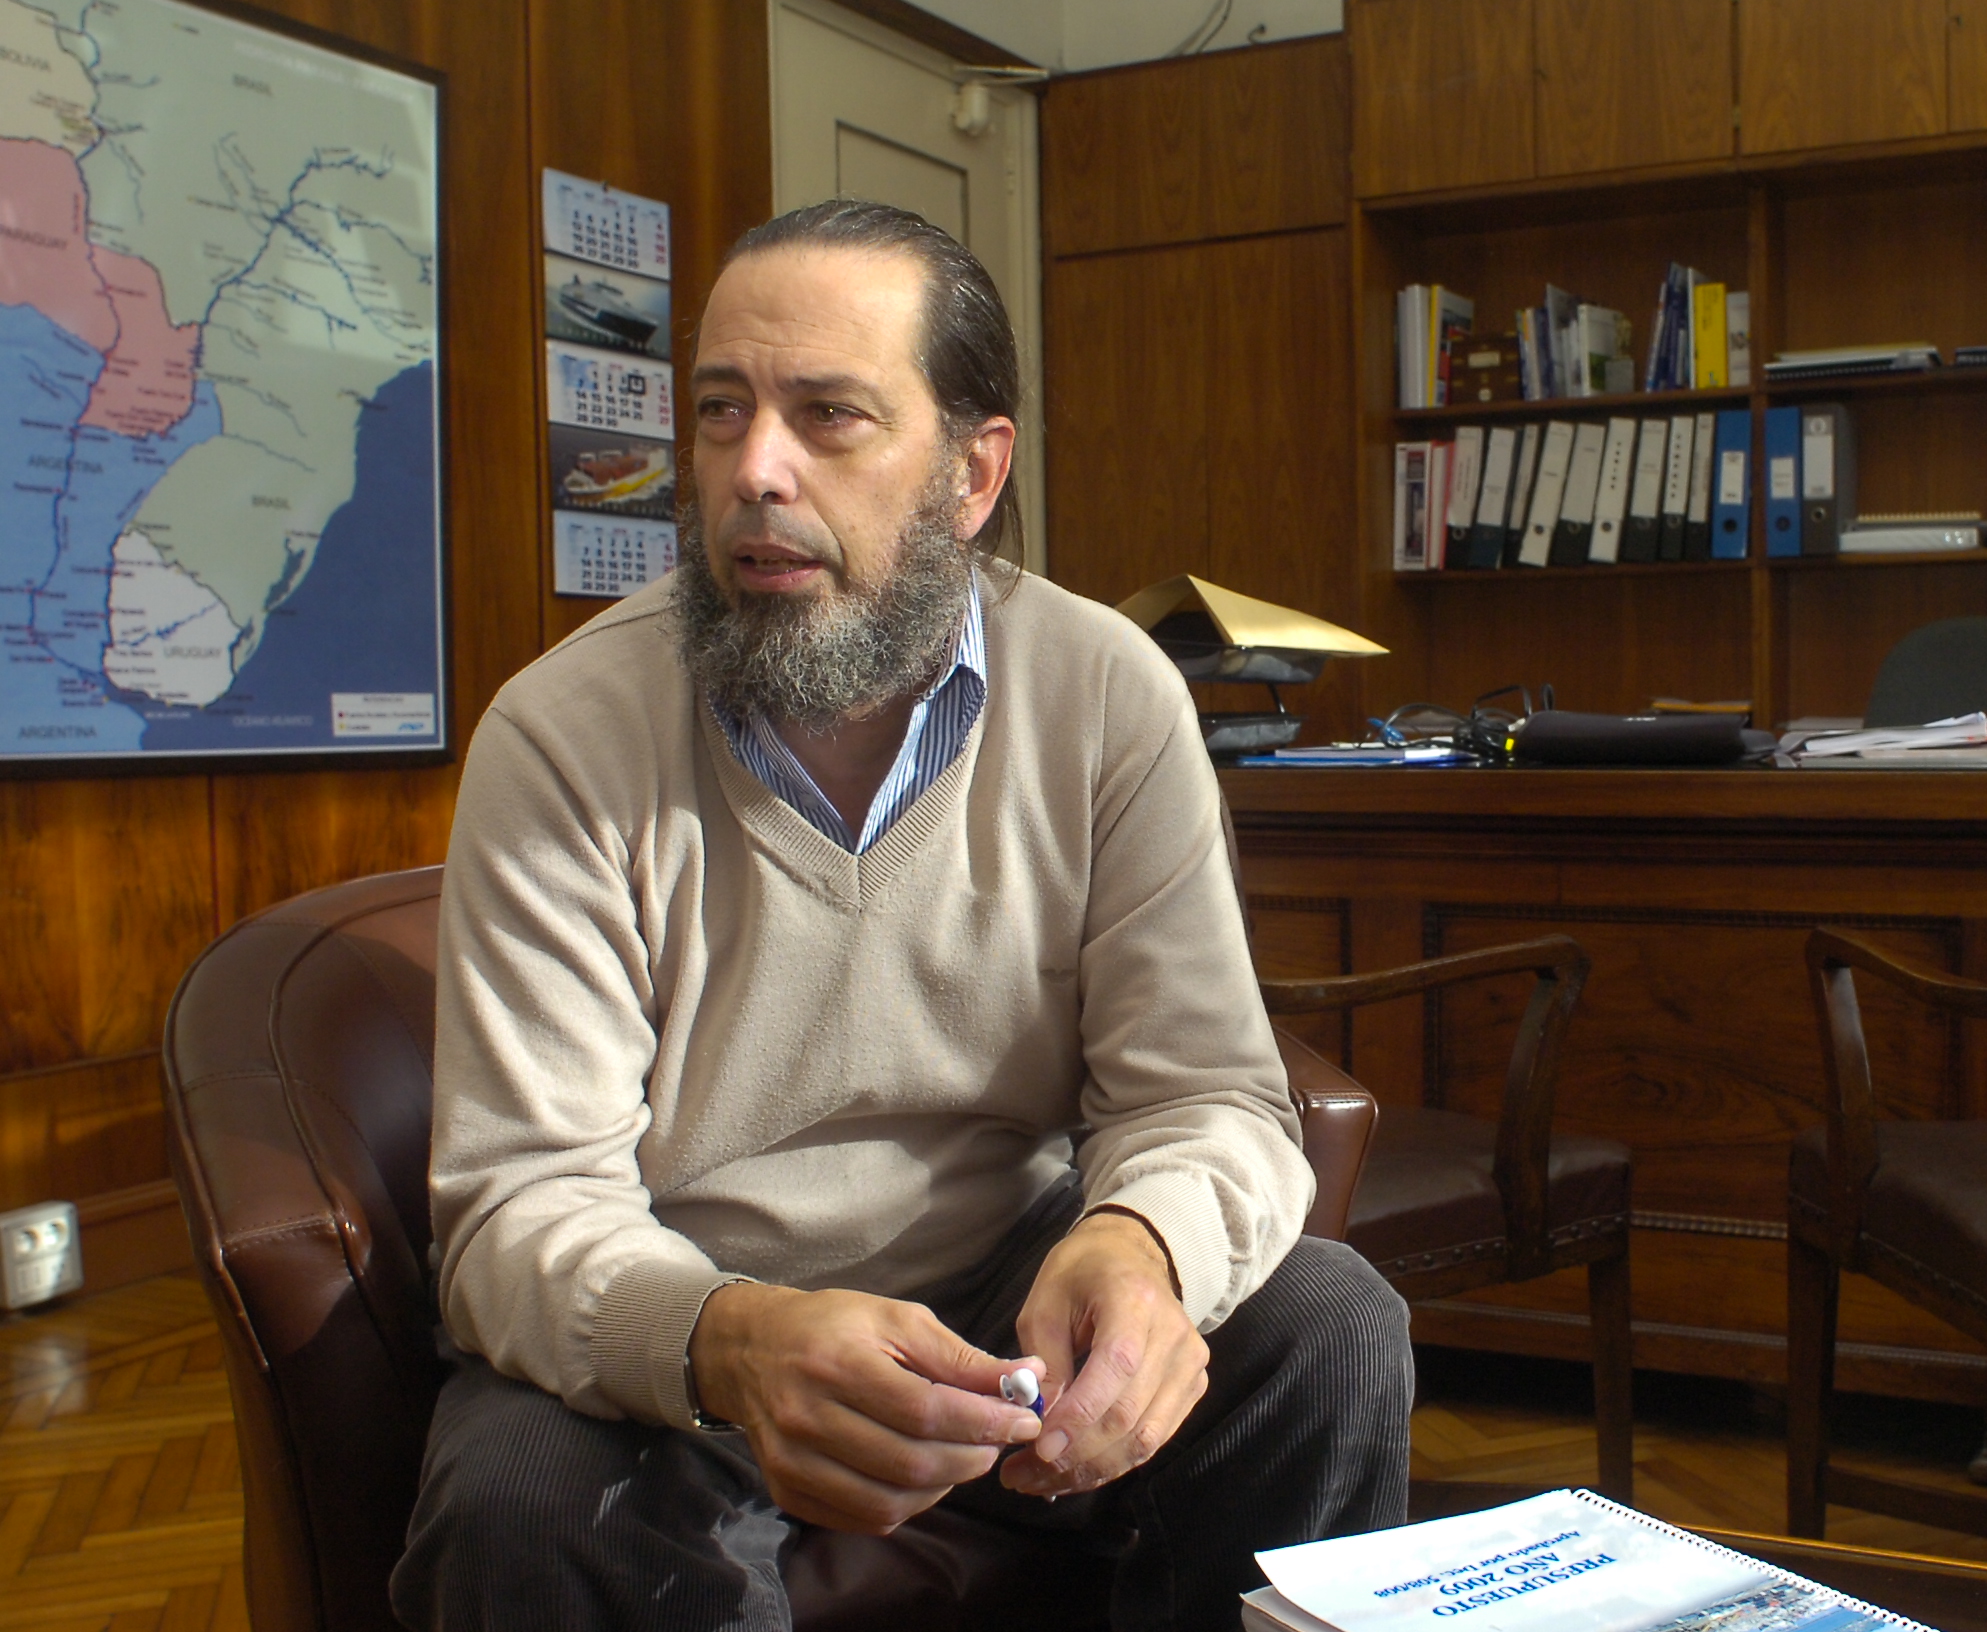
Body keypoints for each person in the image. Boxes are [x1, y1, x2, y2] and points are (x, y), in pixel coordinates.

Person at [389, 200, 1412, 1631]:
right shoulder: (561, 735)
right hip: (682, 1313)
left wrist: (1142, 1249)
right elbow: (517, 1209)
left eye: (829, 417)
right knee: (525, 1504)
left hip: (1002, 1291)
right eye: (720, 412)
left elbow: (1209, 1096)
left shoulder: (1109, 697)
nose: (753, 472)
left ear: (970, 472)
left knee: (1332, 1325)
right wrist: (727, 1339)